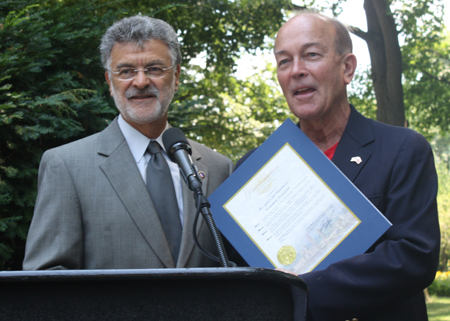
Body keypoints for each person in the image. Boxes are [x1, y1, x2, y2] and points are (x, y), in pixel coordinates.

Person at [237, 12, 440, 321]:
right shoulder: (254, 169)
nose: (297, 71)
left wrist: (294, 291)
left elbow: (413, 257)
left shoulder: (402, 150)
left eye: (311, 55)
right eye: (284, 61)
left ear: (347, 68)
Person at [23, 15, 233, 270]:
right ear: (110, 82)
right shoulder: (67, 167)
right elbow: (47, 282)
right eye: (126, 71)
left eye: (155, 69)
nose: (141, 81)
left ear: (176, 76)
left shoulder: (218, 168)